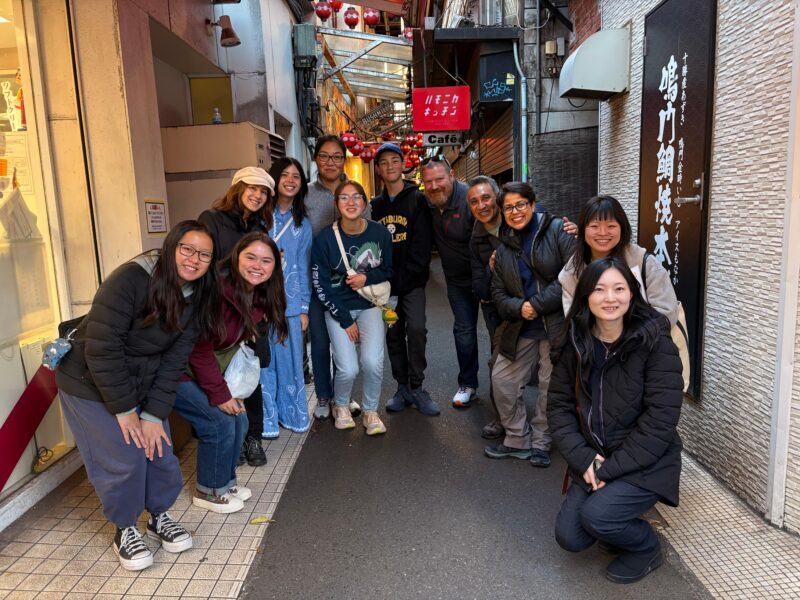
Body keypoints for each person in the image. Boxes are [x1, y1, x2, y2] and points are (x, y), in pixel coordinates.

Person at [55, 220, 221, 571]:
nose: (194, 259)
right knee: (125, 457)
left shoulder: (199, 294)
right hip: (88, 380)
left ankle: (158, 517)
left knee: (159, 451)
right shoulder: (130, 279)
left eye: (204, 254)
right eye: (187, 249)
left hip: (141, 382)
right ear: (171, 247)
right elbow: (101, 349)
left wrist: (150, 414)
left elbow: (176, 359)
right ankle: (125, 527)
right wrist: (125, 410)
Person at [547, 257, 683, 584]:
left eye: (619, 288)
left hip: (648, 460)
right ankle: (612, 520)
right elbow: (558, 409)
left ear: (632, 294)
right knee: (570, 536)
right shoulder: (575, 342)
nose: (610, 298)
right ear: (585, 297)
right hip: (595, 457)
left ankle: (646, 546)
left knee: (599, 517)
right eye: (599, 289)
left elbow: (659, 423)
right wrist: (585, 460)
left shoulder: (656, 343)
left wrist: (607, 471)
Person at [174, 232, 288, 513]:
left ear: (275, 266)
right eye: (250, 257)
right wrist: (220, 394)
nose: (257, 265)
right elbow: (199, 350)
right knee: (218, 422)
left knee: (239, 420)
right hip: (175, 370)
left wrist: (225, 393)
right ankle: (208, 491)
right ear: (237, 257)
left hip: (202, 369)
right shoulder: (219, 292)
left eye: (266, 260)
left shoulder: (258, 295)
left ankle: (224, 483)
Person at [484, 182, 575, 467]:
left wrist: (536, 305)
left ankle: (541, 442)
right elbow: (497, 295)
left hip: (556, 324)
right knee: (502, 379)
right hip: (520, 325)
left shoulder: (559, 230)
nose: (515, 211)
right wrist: (520, 308)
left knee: (550, 386)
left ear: (533, 204)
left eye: (521, 204)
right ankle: (516, 438)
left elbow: (571, 277)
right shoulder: (505, 246)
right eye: (509, 207)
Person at [198, 166, 275, 467]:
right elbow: (206, 266)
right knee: (220, 374)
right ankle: (228, 439)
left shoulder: (260, 228)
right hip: (221, 312)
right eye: (251, 188)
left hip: (253, 313)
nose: (257, 195)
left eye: (263, 191)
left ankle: (252, 437)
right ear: (237, 189)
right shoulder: (212, 220)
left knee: (250, 374)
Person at [312, 180, 392, 434]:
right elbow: (320, 283)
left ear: (365, 203)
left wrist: (366, 278)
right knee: (348, 367)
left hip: (370, 305)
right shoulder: (325, 238)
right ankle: (342, 405)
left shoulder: (380, 234)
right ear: (336, 204)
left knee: (372, 362)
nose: (351, 202)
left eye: (356, 197)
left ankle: (370, 411)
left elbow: (390, 270)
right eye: (344, 198)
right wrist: (345, 319)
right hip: (338, 309)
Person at [371, 143, 438, 416]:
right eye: (383, 162)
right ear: (378, 169)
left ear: (403, 164)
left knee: (417, 330)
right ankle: (402, 388)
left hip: (412, 285)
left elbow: (423, 244)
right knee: (394, 333)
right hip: (385, 290)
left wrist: (407, 277)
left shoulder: (418, 199)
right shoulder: (374, 207)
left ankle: (417, 386)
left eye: (394, 161)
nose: (389, 166)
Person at [306, 135, 367, 420]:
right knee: (319, 341)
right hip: (317, 282)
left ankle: (344, 396)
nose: (330, 162)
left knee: (346, 341)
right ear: (315, 158)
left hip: (349, 284)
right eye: (324, 156)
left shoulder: (354, 191)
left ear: (344, 160)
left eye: (336, 156)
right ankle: (324, 396)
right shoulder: (304, 196)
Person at [558, 195, 678, 326]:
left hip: (644, 342)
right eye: (594, 226)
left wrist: (632, 341)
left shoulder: (643, 262)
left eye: (611, 226)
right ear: (582, 230)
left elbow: (666, 313)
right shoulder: (572, 272)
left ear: (622, 228)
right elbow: (574, 323)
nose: (603, 232)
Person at [260, 157, 313, 438]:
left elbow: (304, 267)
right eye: (285, 175)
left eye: (297, 176)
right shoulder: (259, 218)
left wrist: (304, 307)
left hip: (291, 304)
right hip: (259, 304)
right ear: (275, 179)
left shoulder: (302, 224)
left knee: (292, 364)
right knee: (264, 363)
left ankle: (291, 415)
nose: (291, 180)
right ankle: (268, 420)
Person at [421, 156, 479, 408]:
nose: (434, 186)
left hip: (487, 277)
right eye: (428, 182)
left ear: (452, 175)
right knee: (464, 331)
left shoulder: (470, 199)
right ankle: (468, 384)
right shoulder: (428, 203)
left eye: (439, 179)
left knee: (502, 334)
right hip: (456, 280)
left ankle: (508, 386)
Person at [467, 176, 505, 437]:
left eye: (486, 198)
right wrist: (491, 268)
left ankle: (546, 425)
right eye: (474, 202)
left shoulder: (520, 220)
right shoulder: (477, 239)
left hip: (538, 307)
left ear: (497, 197)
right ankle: (502, 418)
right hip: (499, 311)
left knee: (549, 368)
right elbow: (480, 288)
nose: (482, 205)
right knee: (499, 364)